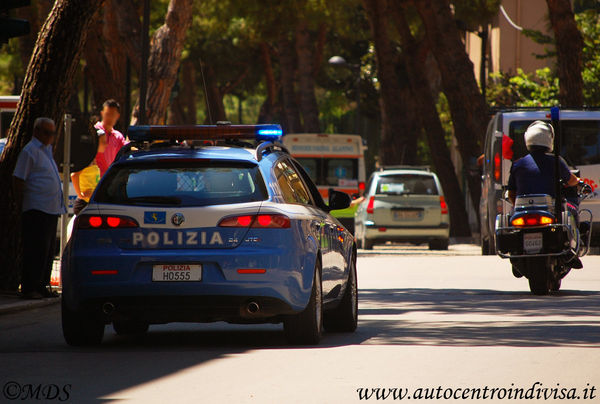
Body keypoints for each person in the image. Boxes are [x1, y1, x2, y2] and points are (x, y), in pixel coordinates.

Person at [507, 120, 584, 268]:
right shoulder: (556, 161)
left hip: (522, 210)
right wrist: (579, 181)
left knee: (511, 218)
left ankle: (515, 253)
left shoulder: (518, 164)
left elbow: (511, 193)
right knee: (572, 211)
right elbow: (570, 180)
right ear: (549, 140)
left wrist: (517, 206)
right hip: (549, 210)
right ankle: (571, 250)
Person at [13, 117, 67, 299]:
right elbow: (19, 179)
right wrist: (22, 202)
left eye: (52, 133)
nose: (50, 136)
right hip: (36, 208)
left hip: (51, 209)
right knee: (35, 249)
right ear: (37, 131)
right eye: (46, 132)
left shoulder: (47, 151)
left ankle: (42, 285)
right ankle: (29, 287)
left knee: (48, 250)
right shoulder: (30, 151)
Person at [71, 128, 105, 215]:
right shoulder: (87, 158)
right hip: (83, 204)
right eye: (103, 142)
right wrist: (80, 194)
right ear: (96, 143)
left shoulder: (93, 158)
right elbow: (74, 175)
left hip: (91, 202)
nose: (106, 144)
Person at [94, 99, 128, 177]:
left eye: (112, 115)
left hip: (109, 180)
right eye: (107, 114)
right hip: (93, 179)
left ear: (118, 116)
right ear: (102, 113)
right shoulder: (95, 132)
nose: (109, 118)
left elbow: (127, 149)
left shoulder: (118, 136)